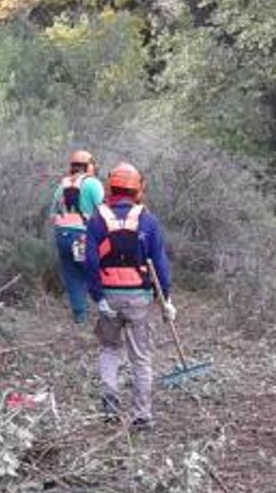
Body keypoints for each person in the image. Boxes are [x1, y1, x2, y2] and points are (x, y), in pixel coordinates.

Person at [84, 162, 176, 432]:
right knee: (140, 357)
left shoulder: (97, 218)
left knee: (109, 350)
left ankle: (110, 408)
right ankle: (141, 416)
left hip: (108, 296)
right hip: (139, 297)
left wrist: (97, 297)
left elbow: (91, 263)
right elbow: (160, 265)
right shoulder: (148, 220)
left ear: (110, 187)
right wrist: (166, 300)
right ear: (138, 188)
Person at [48, 150, 106, 324]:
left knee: (72, 274)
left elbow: (52, 213)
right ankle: (105, 310)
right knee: (96, 271)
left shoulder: (61, 185)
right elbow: (104, 211)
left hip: (62, 235)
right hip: (84, 235)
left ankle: (80, 316)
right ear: (89, 166)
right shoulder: (93, 184)